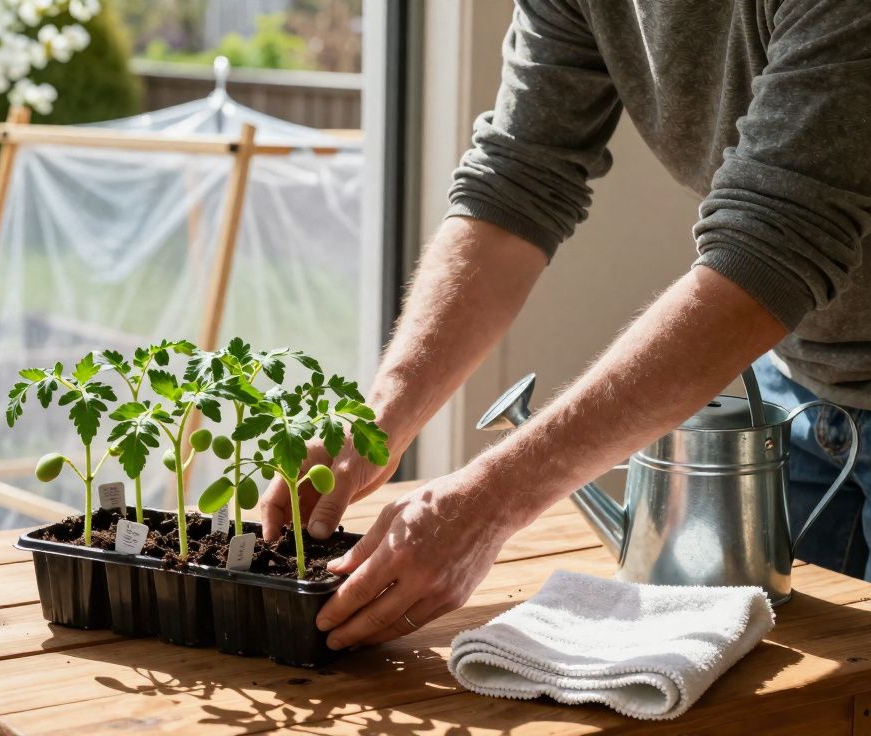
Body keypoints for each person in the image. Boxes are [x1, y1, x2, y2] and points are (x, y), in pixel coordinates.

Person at [259, 0, 871, 652]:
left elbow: (770, 252)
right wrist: (380, 414)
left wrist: (489, 504)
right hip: (804, 393)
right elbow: (517, 182)